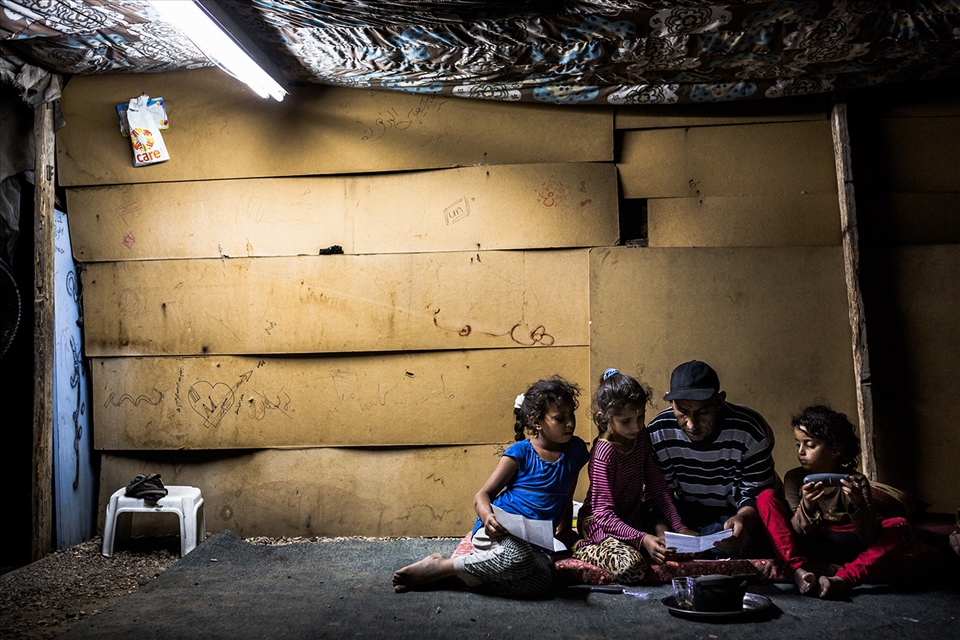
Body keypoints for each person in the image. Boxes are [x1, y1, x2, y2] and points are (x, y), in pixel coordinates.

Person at [392, 376, 589, 597]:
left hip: (537, 541)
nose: (570, 423)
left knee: (542, 581)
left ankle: (450, 579)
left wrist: (563, 533)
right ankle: (442, 567)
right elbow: (482, 495)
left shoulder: (576, 450)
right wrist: (488, 518)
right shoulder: (521, 452)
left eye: (572, 415)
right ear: (536, 421)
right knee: (519, 558)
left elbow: (566, 494)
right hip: (501, 530)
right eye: (560, 418)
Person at [757, 405, 911, 599]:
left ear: (835, 449)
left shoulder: (856, 481)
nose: (801, 452)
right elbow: (795, 533)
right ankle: (797, 571)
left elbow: (869, 537)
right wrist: (807, 505)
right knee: (766, 497)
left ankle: (843, 579)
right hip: (810, 542)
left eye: (810, 445)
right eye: (798, 444)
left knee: (901, 526)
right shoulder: (794, 479)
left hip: (846, 543)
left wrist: (857, 505)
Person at [572, 369, 697, 583]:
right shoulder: (604, 454)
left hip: (631, 520)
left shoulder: (641, 438)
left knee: (684, 548)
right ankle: (581, 548)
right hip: (600, 525)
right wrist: (643, 539)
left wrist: (679, 527)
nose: (637, 426)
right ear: (606, 419)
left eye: (641, 417)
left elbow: (657, 487)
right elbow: (603, 516)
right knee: (630, 565)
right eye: (626, 421)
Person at [646, 360, 779, 557]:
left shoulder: (751, 430)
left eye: (702, 412)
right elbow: (658, 495)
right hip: (684, 514)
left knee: (751, 544)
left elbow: (756, 497)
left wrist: (743, 520)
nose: (691, 423)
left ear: (719, 402)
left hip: (734, 512)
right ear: (670, 402)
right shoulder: (659, 431)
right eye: (682, 411)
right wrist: (662, 535)